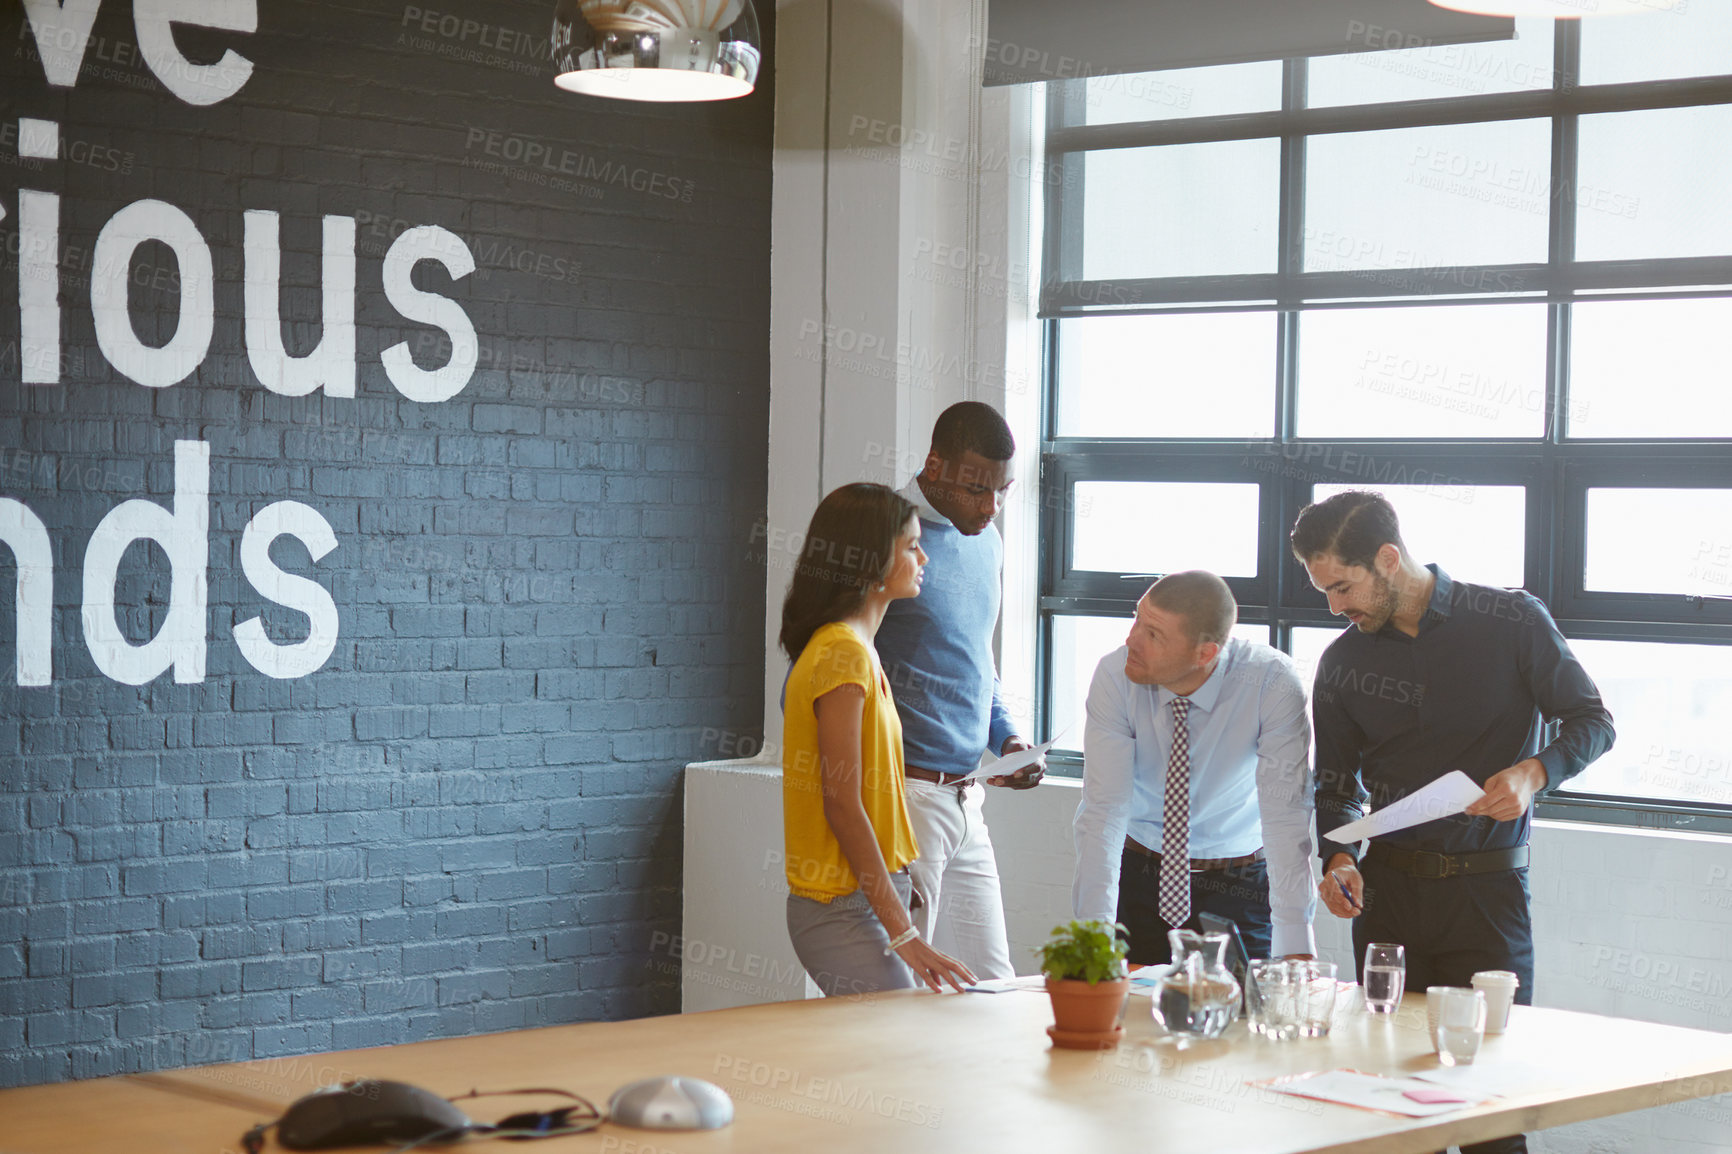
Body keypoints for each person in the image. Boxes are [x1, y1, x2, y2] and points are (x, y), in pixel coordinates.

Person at [1292, 490, 1614, 1154]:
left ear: (1388, 558)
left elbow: (1594, 722)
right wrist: (1339, 859)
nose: (1334, 607)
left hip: (1486, 903)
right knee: (1390, 1114)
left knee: (1492, 1116)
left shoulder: (1511, 621)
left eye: (1343, 586)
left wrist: (1535, 772)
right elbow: (1335, 785)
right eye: (1323, 590)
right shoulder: (1343, 662)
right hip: (1387, 908)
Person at [779, 482, 976, 997]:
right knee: (897, 1047)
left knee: (884, 1062)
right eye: (911, 545)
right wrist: (904, 932)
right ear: (869, 562)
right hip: (840, 908)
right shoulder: (842, 651)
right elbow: (842, 805)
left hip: (871, 897)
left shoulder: (859, 648)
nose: (924, 556)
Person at [1072, 570, 1317, 966]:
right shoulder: (1115, 676)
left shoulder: (1270, 681)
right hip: (1140, 872)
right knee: (1128, 1016)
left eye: (1154, 635)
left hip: (1240, 885)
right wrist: (1094, 935)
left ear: (1205, 654)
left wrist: (1296, 944)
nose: (1131, 640)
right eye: (1137, 619)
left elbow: (1285, 817)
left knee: (1243, 1017)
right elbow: (1104, 810)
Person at [874, 401, 1039, 982]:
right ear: (934, 464)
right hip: (905, 796)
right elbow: (832, 658)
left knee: (992, 985)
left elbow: (975, 658)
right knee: (896, 993)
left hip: (967, 798)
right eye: (975, 488)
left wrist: (1007, 735)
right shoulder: (885, 537)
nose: (989, 506)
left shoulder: (987, 540)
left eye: (1002, 490)